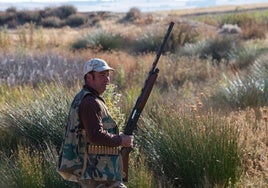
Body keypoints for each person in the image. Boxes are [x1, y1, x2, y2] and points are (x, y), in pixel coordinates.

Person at [57, 58, 134, 188]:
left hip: (98, 173)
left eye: (108, 75)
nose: (107, 80)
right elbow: (95, 135)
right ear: (89, 77)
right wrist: (121, 140)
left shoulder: (89, 99)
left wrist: (117, 136)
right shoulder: (89, 102)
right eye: (102, 75)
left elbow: (91, 133)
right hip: (97, 174)